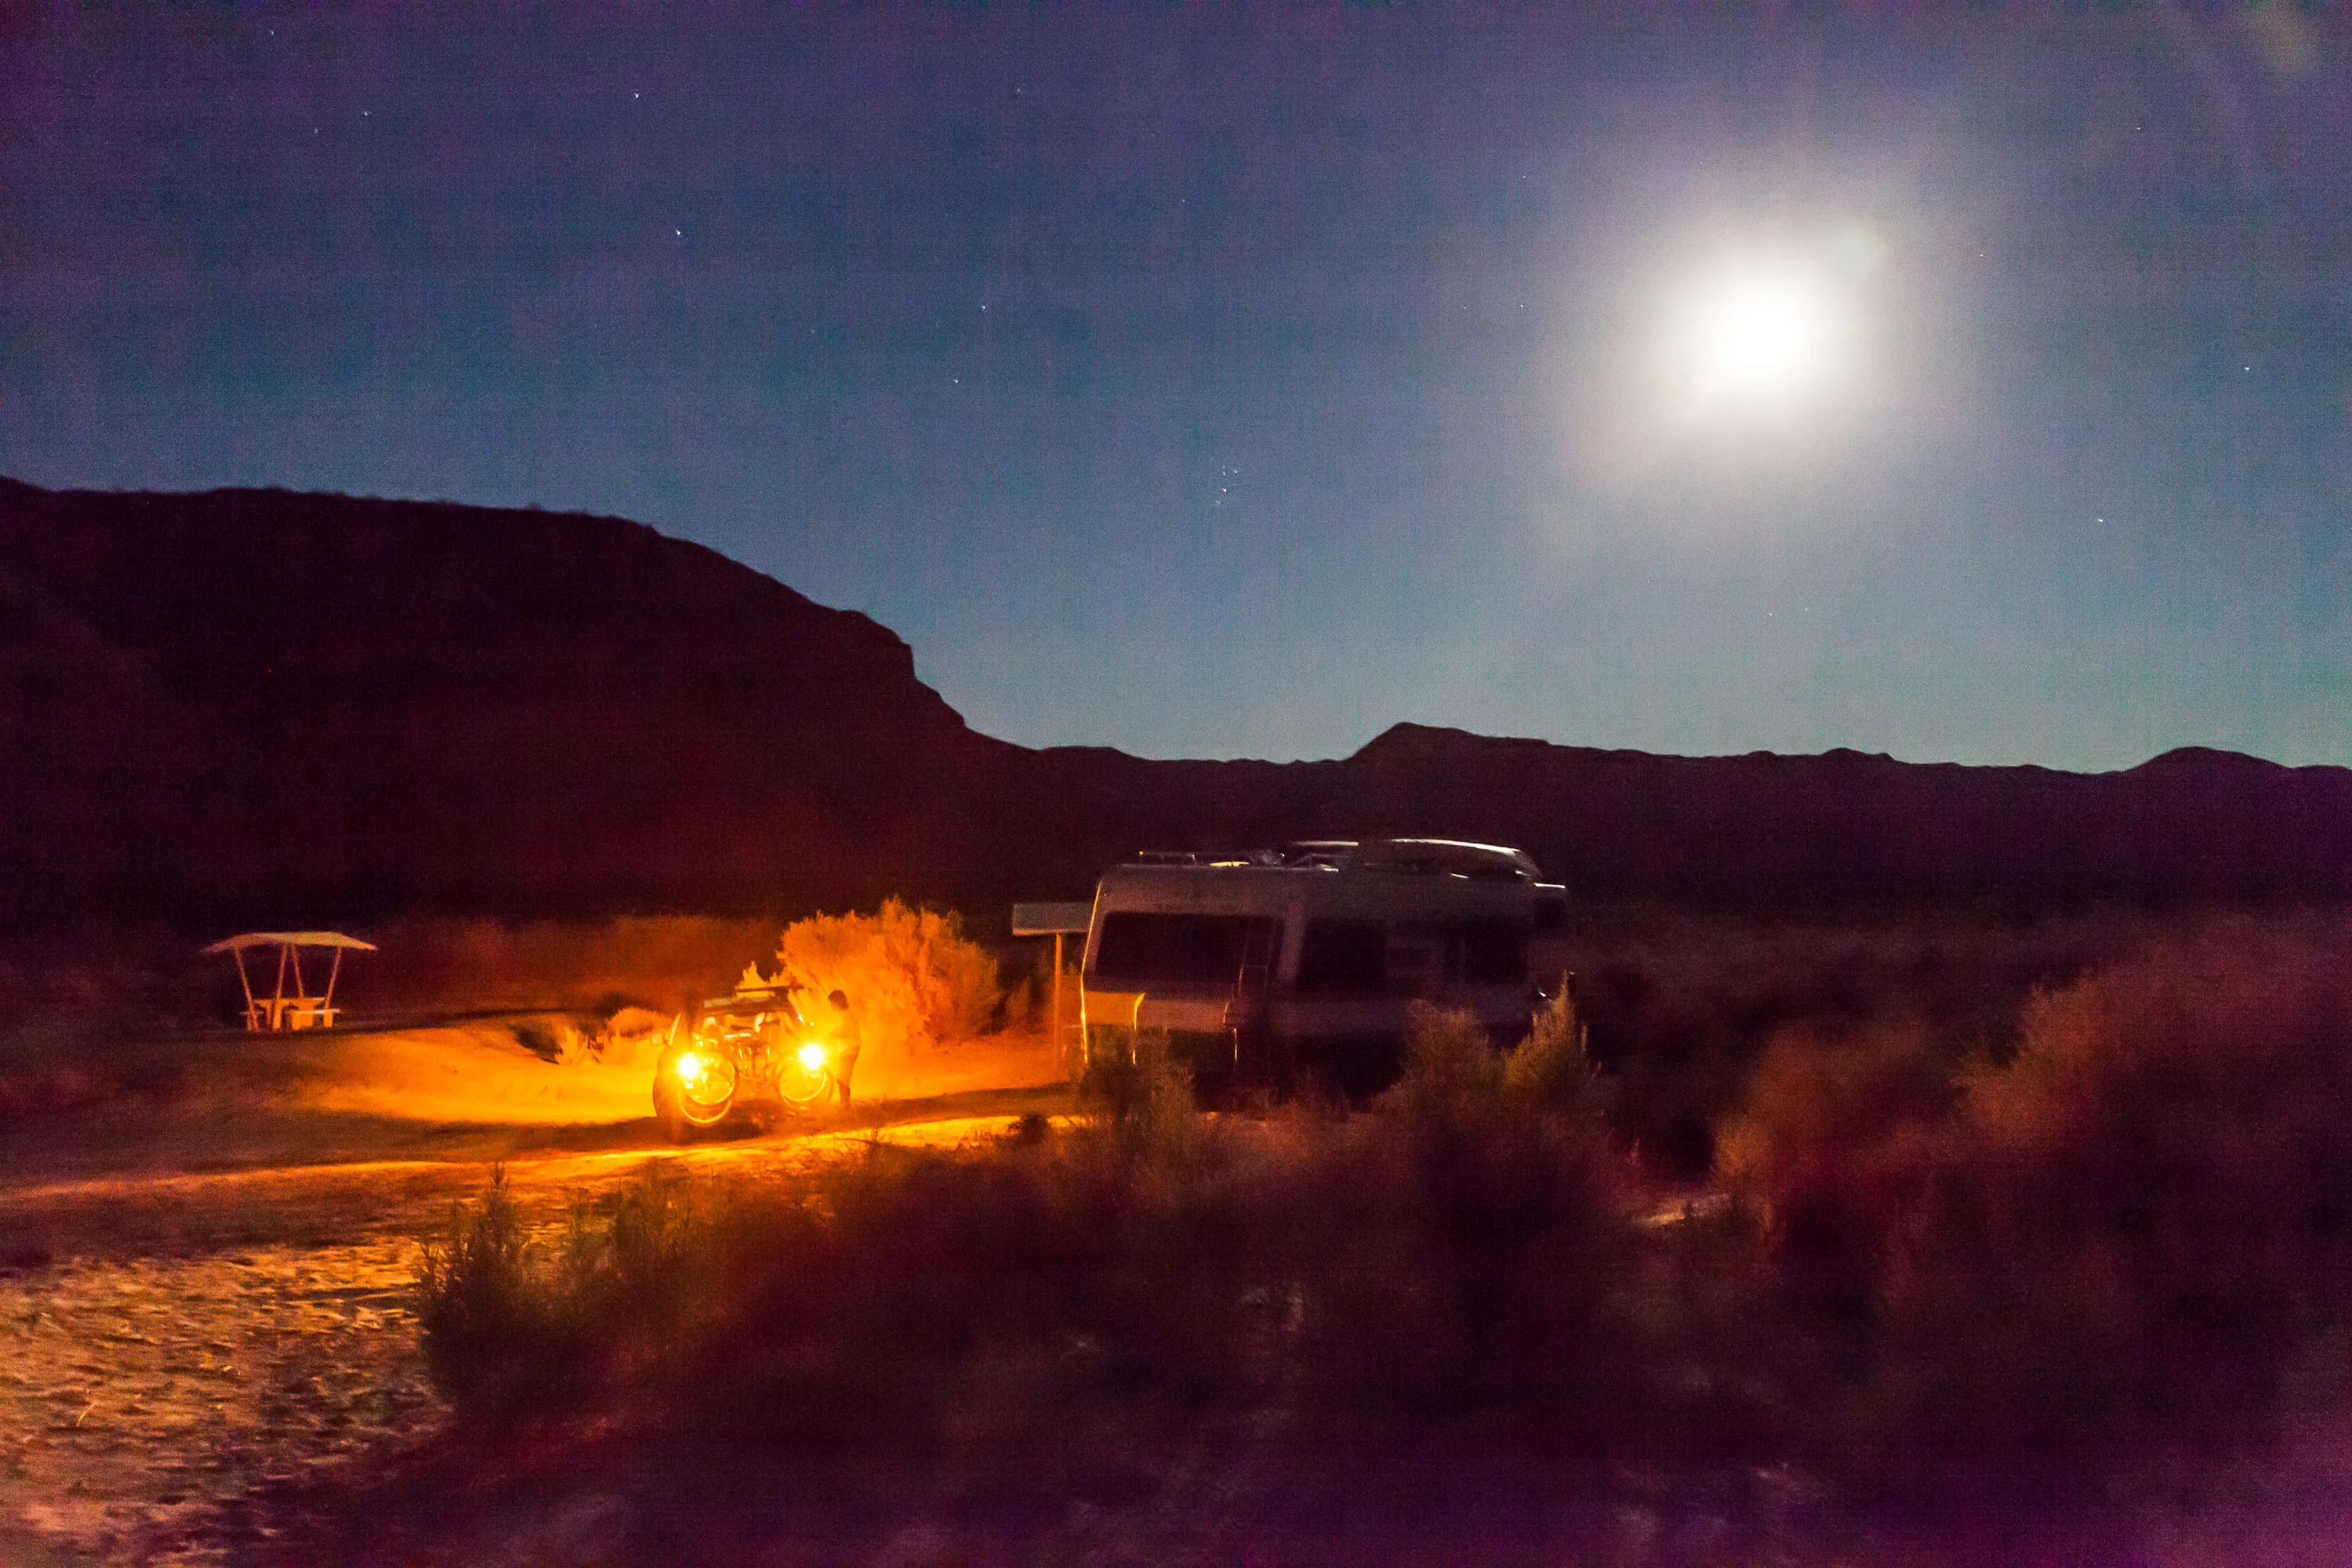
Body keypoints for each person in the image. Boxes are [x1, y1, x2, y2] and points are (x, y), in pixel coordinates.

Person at [825, 989, 862, 1109]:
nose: (831, 1006)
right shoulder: (844, 1014)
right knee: (842, 1078)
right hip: (849, 1048)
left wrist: (828, 1036)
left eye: (832, 1003)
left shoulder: (845, 1015)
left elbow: (843, 1032)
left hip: (850, 1048)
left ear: (839, 1002)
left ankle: (846, 1106)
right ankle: (845, 1105)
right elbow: (839, 1030)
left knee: (842, 1078)